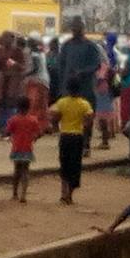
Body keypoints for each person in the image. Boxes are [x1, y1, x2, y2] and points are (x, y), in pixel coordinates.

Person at [59, 18, 101, 156]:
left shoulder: (90, 46)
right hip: (68, 89)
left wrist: (82, 72)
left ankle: (86, 145)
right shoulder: (66, 46)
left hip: (86, 89)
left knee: (86, 117)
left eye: (78, 28)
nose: (75, 30)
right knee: (67, 117)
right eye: (73, 28)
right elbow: (61, 65)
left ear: (83, 29)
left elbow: (96, 65)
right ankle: (70, 145)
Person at [50, 77, 94, 205]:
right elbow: (89, 119)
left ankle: (63, 193)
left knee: (64, 163)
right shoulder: (84, 104)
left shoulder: (62, 102)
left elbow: (54, 116)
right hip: (77, 136)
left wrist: (56, 127)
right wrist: (84, 127)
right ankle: (69, 194)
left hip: (65, 136)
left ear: (68, 89)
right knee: (75, 166)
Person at [6, 96, 42, 204]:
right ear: (28, 107)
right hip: (27, 149)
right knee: (25, 171)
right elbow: (39, 133)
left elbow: (7, 132)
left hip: (16, 149)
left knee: (16, 171)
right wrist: (34, 138)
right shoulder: (33, 120)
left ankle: (14, 193)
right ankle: (24, 194)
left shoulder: (13, 120)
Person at [24, 36, 51, 134]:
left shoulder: (35, 55)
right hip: (44, 81)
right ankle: (44, 126)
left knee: (34, 105)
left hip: (37, 81)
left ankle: (34, 126)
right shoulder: (42, 54)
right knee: (43, 105)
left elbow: (35, 69)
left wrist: (24, 74)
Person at [94, 61, 119, 151]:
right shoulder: (108, 69)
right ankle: (107, 139)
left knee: (103, 122)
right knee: (106, 122)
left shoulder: (101, 79)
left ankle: (105, 142)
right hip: (108, 100)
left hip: (102, 103)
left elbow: (99, 81)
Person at [46, 37, 61, 104]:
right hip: (50, 78)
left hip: (58, 78)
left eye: (52, 44)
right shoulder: (48, 55)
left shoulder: (61, 55)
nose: (50, 46)